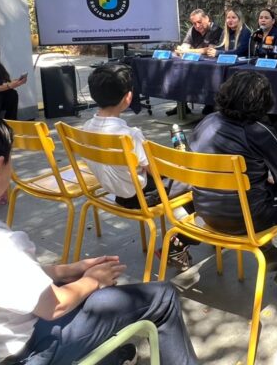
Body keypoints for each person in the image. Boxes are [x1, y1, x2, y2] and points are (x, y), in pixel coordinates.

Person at [0, 109, 199, 365]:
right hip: (28, 349)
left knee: (98, 295)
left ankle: (113, 355)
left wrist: (64, 271)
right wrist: (92, 279)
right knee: (163, 296)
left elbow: (4, 277)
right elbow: (54, 306)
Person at [190, 71, 277, 293]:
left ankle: (270, 252)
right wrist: (266, 178)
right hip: (246, 220)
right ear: (263, 102)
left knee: (254, 193)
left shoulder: (206, 122)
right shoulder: (259, 131)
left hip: (204, 212)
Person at [82, 64, 194, 271]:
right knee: (191, 183)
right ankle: (180, 242)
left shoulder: (85, 129)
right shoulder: (129, 135)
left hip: (113, 192)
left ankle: (181, 225)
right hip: (140, 197)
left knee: (175, 184)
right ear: (128, 97)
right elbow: (156, 171)